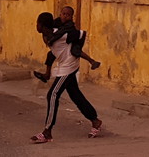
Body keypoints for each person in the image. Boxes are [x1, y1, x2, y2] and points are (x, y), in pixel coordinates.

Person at [31, 10, 103, 144]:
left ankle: (47, 131)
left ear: (42, 25)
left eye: (37, 23)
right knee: (75, 95)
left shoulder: (63, 34)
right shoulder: (48, 35)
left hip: (68, 66)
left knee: (52, 94)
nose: (36, 26)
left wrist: (77, 50)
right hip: (63, 65)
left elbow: (82, 34)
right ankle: (95, 121)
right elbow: (53, 52)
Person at [33, 6, 100, 83]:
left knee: (75, 51)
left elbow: (60, 34)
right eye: (63, 14)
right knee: (50, 54)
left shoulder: (69, 26)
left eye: (68, 15)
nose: (65, 16)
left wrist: (52, 39)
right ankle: (47, 74)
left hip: (76, 39)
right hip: (67, 52)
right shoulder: (56, 22)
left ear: (71, 17)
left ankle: (92, 61)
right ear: (60, 14)